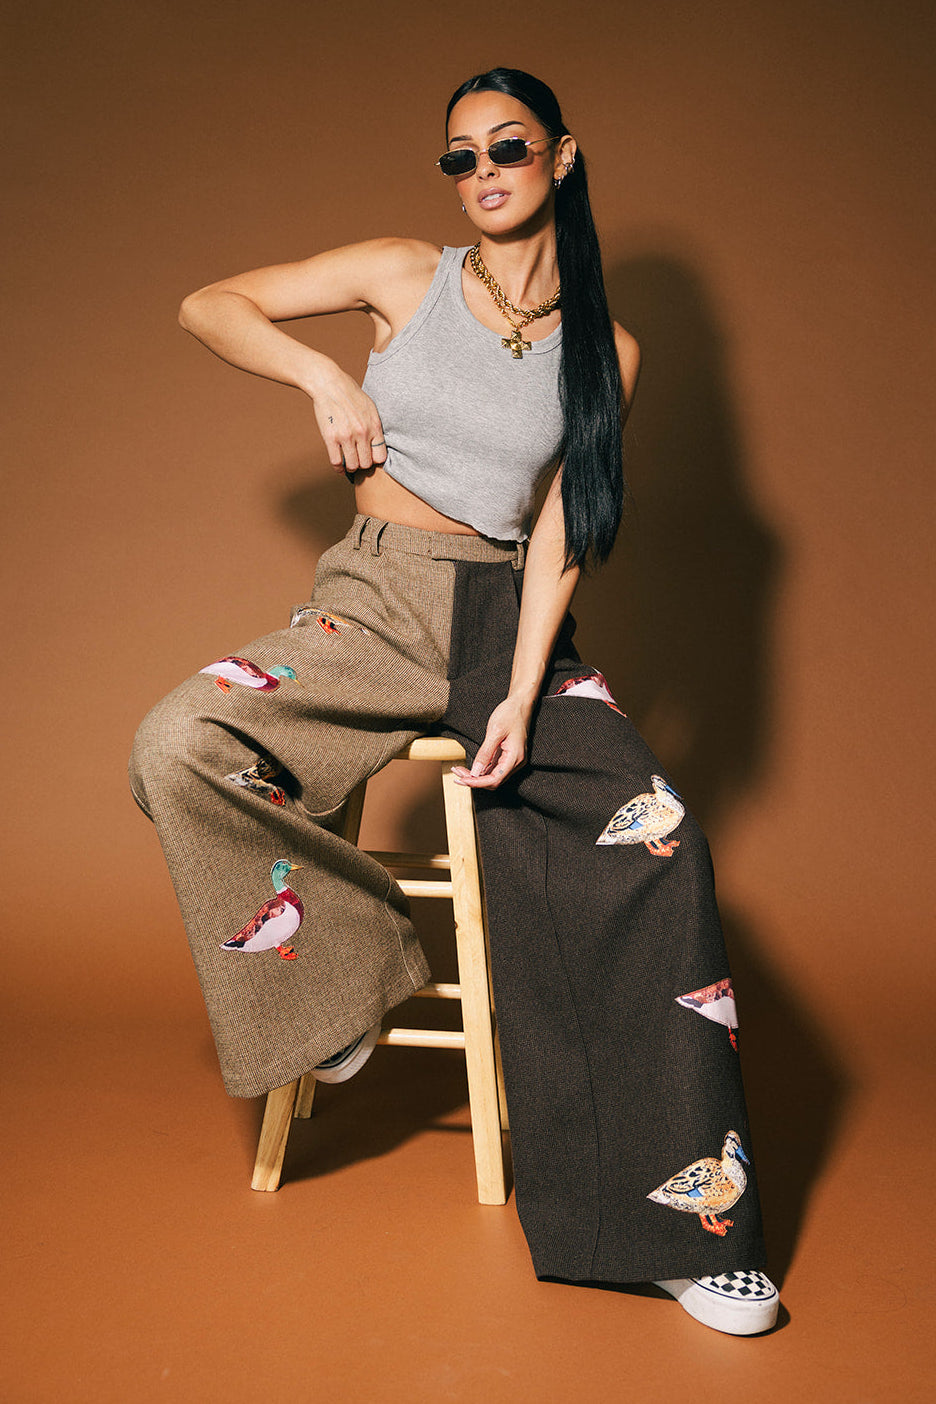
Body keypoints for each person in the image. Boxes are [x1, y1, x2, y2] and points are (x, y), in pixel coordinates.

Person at [130, 68, 780, 1336]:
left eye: (509, 147)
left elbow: (563, 533)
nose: (484, 171)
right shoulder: (402, 274)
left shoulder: (610, 350)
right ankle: (348, 980)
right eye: (461, 155)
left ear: (562, 157)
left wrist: (527, 694)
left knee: (662, 843)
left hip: (507, 625)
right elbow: (210, 303)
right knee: (180, 740)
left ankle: (687, 1228)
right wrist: (323, 380)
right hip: (372, 603)